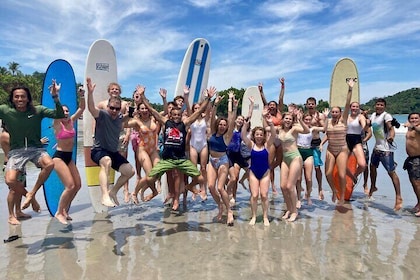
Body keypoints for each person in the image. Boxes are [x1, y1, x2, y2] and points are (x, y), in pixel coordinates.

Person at [134, 85, 215, 211]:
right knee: (150, 178)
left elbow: (198, 112)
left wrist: (209, 98)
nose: (177, 117)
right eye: (174, 115)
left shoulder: (184, 123)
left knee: (200, 178)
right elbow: (152, 110)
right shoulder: (166, 123)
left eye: (178, 114)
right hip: (167, 159)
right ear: (170, 116)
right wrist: (143, 96)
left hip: (181, 159)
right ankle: (154, 191)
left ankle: (188, 186)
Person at [0, 80, 65, 225]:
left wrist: (55, 96)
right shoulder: (5, 110)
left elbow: (59, 114)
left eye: (23, 96)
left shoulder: (38, 110)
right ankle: (29, 199)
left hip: (35, 149)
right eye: (16, 97)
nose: (20, 99)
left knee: (49, 164)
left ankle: (32, 193)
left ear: (28, 98)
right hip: (16, 152)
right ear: (12, 98)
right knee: (10, 181)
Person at [87, 77, 135, 207]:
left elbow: (128, 116)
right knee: (106, 161)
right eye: (112, 108)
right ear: (107, 106)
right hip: (98, 151)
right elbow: (91, 108)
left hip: (113, 152)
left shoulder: (119, 117)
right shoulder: (102, 115)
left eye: (117, 109)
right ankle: (104, 196)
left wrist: (136, 102)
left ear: (120, 109)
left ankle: (113, 192)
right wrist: (90, 94)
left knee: (130, 172)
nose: (114, 111)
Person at [52, 86, 85, 224]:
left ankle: (65, 209)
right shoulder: (57, 123)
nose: (65, 113)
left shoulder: (71, 121)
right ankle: (59, 212)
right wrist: (56, 96)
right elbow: (58, 110)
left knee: (77, 185)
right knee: (70, 186)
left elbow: (82, 108)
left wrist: (82, 95)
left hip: (69, 157)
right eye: (63, 111)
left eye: (67, 111)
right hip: (59, 157)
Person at [97, 82, 131, 203]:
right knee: (107, 162)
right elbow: (95, 119)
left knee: (125, 165)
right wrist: (92, 133)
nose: (115, 90)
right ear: (109, 91)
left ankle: (125, 190)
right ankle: (106, 191)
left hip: (120, 134)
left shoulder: (124, 103)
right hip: (106, 136)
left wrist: (128, 134)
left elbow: (128, 119)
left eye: (117, 89)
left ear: (120, 91)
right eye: (113, 89)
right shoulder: (102, 104)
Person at [207, 91, 237, 226]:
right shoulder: (212, 132)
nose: (223, 126)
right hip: (211, 161)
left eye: (224, 125)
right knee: (211, 186)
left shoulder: (227, 136)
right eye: (221, 124)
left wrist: (234, 107)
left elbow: (232, 120)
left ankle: (229, 211)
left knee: (220, 188)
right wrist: (215, 104)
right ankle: (220, 205)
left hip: (223, 161)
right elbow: (212, 117)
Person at [322, 78, 354, 205]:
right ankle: (334, 190)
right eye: (333, 112)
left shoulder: (343, 120)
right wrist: (324, 118)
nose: (334, 113)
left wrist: (350, 89)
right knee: (328, 173)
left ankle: (341, 196)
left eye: (337, 112)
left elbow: (347, 104)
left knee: (341, 175)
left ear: (340, 113)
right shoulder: (328, 121)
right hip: (331, 149)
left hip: (342, 149)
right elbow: (324, 131)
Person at [241, 112, 276, 226]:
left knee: (264, 195)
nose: (259, 136)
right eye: (257, 134)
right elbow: (243, 136)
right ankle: (254, 216)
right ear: (254, 135)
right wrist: (245, 125)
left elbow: (274, 136)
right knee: (254, 195)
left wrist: (271, 124)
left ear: (264, 136)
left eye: (261, 134)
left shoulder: (267, 145)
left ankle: (265, 216)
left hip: (265, 172)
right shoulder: (251, 145)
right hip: (253, 173)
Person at [368, 98, 403, 211]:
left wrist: (391, 137)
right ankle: (373, 186)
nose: (379, 106)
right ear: (375, 106)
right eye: (377, 104)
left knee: (391, 173)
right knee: (372, 168)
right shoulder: (373, 115)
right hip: (377, 148)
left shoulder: (386, 116)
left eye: (381, 105)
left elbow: (391, 128)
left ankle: (398, 197)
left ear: (384, 107)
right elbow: (368, 125)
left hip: (386, 150)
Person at [278, 109, 309, 222]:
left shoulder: (294, 129)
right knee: (283, 186)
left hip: (295, 157)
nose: (288, 120)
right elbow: (267, 127)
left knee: (290, 186)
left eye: (290, 119)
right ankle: (289, 209)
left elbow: (306, 131)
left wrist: (300, 120)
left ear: (292, 121)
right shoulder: (279, 130)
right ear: (283, 119)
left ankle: (295, 211)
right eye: (286, 118)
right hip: (285, 158)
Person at [129, 99, 161, 203]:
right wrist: (129, 113)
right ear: (138, 110)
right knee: (150, 175)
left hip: (153, 150)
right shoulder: (136, 122)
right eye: (142, 108)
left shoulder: (154, 118)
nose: (145, 110)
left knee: (158, 172)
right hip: (142, 149)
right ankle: (135, 193)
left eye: (146, 108)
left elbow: (165, 111)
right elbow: (123, 124)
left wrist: (164, 99)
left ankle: (150, 191)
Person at [259, 78, 285, 195]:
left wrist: (282, 86)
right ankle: (272, 185)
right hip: (271, 140)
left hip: (281, 140)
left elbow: (280, 99)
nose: (273, 106)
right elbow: (264, 101)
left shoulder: (280, 113)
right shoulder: (268, 115)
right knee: (270, 163)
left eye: (274, 105)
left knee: (279, 162)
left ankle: (268, 173)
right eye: (271, 105)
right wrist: (261, 92)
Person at [226, 96, 254, 206]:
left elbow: (249, 117)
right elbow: (230, 114)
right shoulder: (231, 127)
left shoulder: (243, 131)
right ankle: (232, 196)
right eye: (239, 119)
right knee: (234, 177)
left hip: (239, 155)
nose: (240, 121)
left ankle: (235, 190)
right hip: (229, 155)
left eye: (242, 120)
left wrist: (252, 104)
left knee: (250, 171)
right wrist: (232, 103)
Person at [296, 113, 324, 206]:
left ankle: (308, 195)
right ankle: (298, 198)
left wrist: (325, 118)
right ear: (303, 120)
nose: (307, 121)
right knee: (298, 178)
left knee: (308, 178)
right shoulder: (297, 128)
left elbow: (325, 129)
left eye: (309, 120)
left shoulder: (313, 129)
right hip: (298, 151)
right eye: (306, 120)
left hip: (308, 152)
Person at [188, 100, 211, 201]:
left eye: (199, 108)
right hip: (193, 145)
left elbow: (209, 109)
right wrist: (186, 96)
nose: (197, 110)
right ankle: (194, 189)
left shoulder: (205, 119)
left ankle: (203, 189)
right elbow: (188, 108)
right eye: (195, 108)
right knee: (194, 169)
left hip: (203, 145)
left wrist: (208, 98)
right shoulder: (191, 119)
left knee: (203, 168)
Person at [305, 96, 326, 200]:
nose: (310, 105)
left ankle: (320, 188)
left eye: (312, 104)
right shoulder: (304, 116)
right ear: (306, 105)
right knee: (306, 167)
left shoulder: (319, 115)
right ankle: (308, 189)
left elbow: (324, 130)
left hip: (316, 142)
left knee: (317, 167)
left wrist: (319, 122)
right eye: (309, 104)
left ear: (315, 105)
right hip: (306, 143)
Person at [346, 101, 368, 188]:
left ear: (359, 108)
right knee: (342, 164)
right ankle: (351, 177)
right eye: (353, 106)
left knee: (363, 165)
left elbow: (364, 127)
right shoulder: (346, 116)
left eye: (356, 107)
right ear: (350, 107)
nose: (355, 108)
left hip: (356, 141)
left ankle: (354, 176)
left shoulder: (360, 117)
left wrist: (367, 125)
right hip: (346, 141)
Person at [403, 113, 420, 216]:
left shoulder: (418, 128)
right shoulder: (410, 129)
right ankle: (418, 203)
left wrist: (413, 126)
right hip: (411, 159)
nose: (414, 120)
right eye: (412, 118)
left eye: (416, 118)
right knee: (414, 183)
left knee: (418, 183)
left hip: (418, 159)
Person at [360, 108, 372, 193]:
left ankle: (365, 184)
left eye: (361, 113)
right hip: (352, 146)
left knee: (365, 166)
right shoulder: (352, 121)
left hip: (362, 145)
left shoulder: (365, 123)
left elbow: (370, 133)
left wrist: (364, 141)